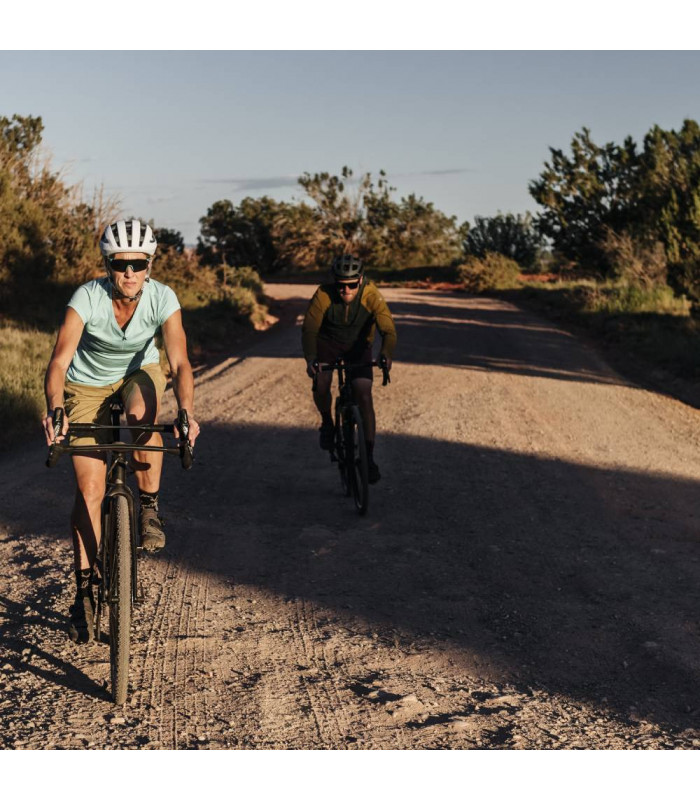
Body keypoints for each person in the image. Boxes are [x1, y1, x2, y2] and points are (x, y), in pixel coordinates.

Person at [42, 219, 200, 644]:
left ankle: (148, 507)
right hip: (86, 385)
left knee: (140, 417)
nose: (129, 272)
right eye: (120, 263)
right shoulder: (87, 298)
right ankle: (84, 588)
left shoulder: (163, 297)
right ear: (107, 264)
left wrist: (186, 412)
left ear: (150, 265)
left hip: (138, 375)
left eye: (138, 264)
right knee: (90, 491)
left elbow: (180, 361)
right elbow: (59, 362)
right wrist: (56, 409)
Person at [302, 254, 397, 484]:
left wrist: (385, 354)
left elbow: (388, 330)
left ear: (361, 280)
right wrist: (311, 359)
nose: (346, 290)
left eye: (352, 285)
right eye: (341, 285)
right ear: (334, 281)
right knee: (322, 382)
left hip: (359, 345)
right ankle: (327, 422)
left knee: (363, 393)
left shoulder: (371, 294)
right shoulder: (323, 294)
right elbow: (309, 330)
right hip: (328, 342)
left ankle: (369, 458)